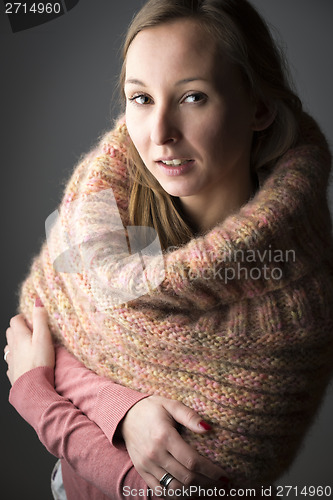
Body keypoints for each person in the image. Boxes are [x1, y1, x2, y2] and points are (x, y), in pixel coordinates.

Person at [4, 0, 333, 499]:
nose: (159, 135)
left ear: (259, 107)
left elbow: (171, 490)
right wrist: (124, 410)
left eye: (193, 97)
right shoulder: (101, 207)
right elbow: (32, 328)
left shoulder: (298, 306)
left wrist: (37, 395)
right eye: (141, 99)